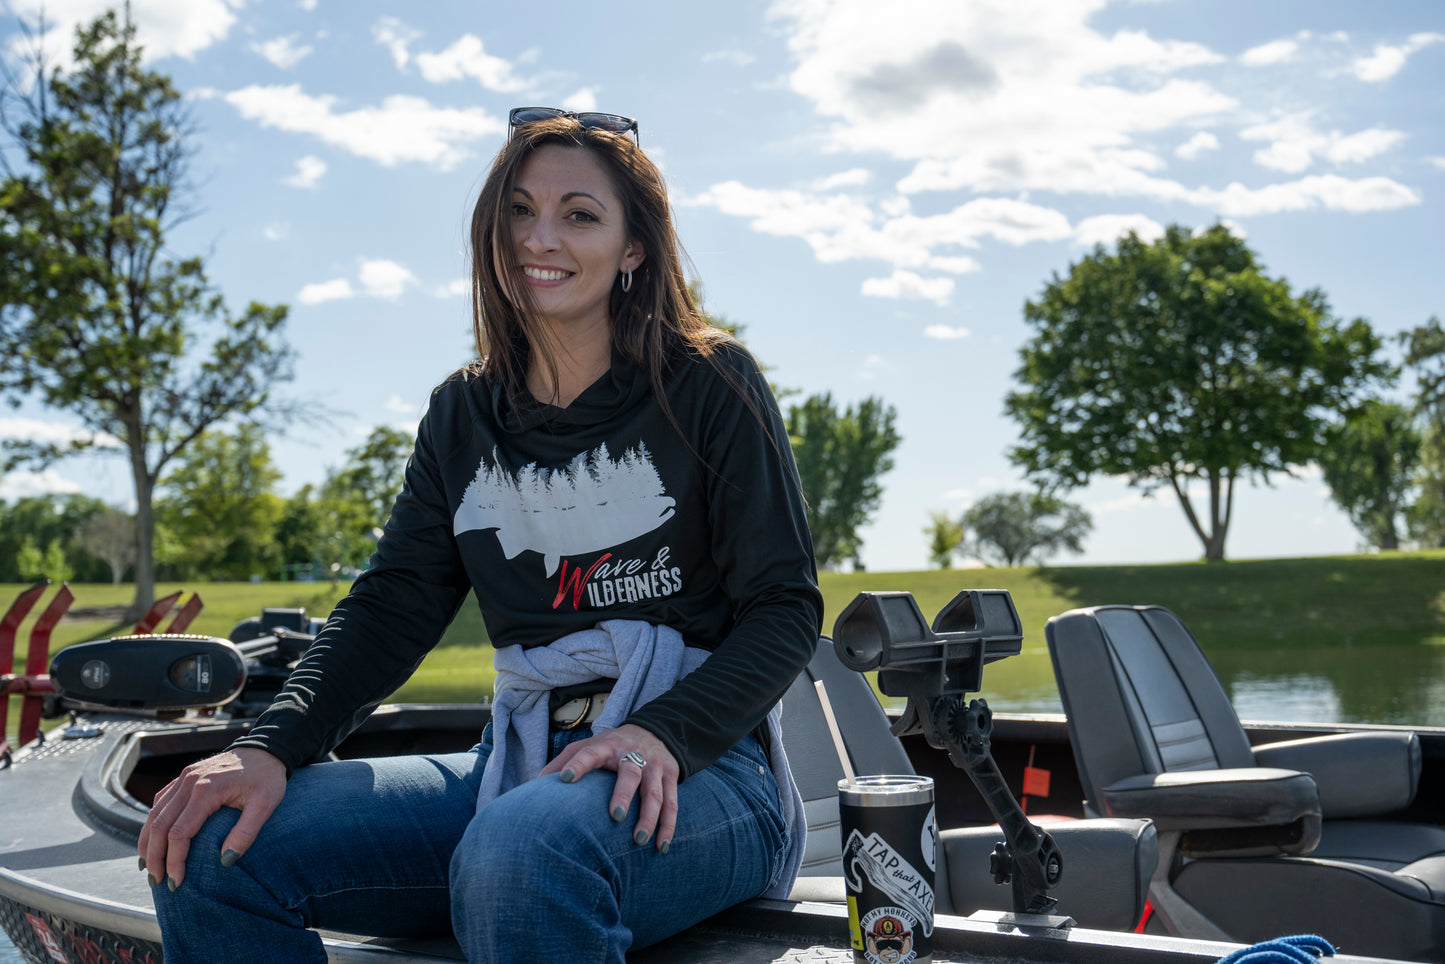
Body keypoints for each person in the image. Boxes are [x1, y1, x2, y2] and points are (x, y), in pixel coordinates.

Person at [139, 107, 823, 963]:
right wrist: (267, 745)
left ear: (634, 249)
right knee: (213, 843)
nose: (540, 238)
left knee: (524, 848)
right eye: (518, 211)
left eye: (579, 214)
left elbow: (784, 609)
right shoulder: (462, 414)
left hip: (697, 767)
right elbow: (392, 606)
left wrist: (660, 734)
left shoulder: (709, 383)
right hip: (516, 758)